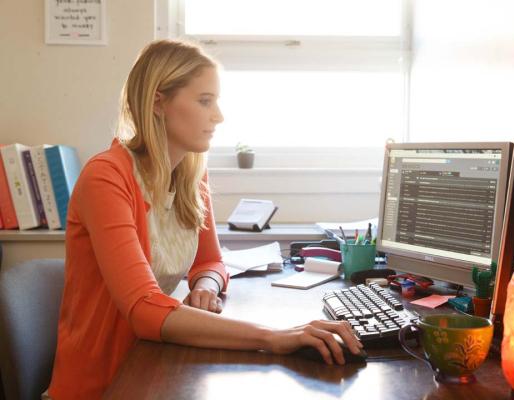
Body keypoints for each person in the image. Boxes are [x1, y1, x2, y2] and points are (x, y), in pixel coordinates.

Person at [45, 39, 362, 399]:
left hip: (153, 365)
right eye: (205, 101)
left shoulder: (191, 174)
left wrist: (206, 285)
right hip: (103, 384)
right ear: (157, 102)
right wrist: (273, 336)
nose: (219, 116)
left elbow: (210, 260)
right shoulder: (106, 178)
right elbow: (144, 309)